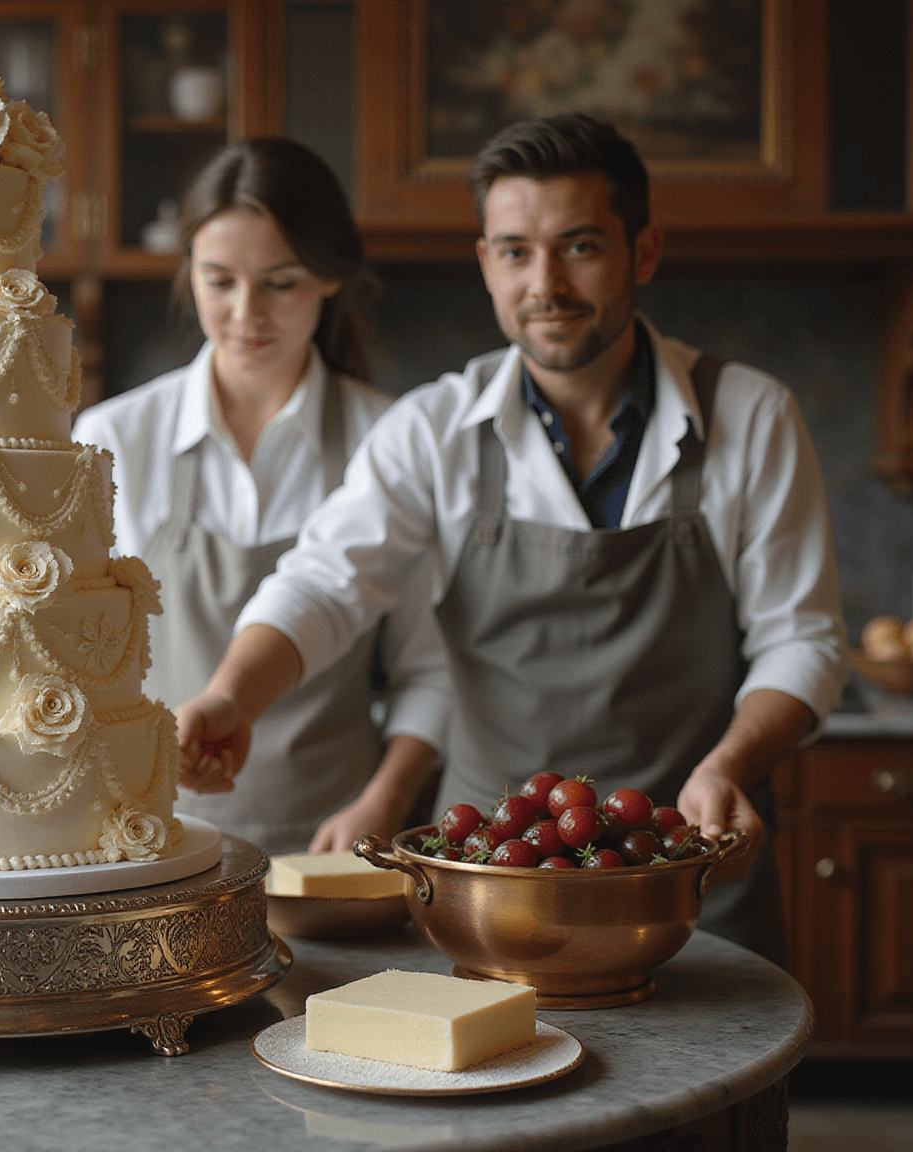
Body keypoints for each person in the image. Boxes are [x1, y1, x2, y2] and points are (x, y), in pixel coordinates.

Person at [172, 113, 847, 958]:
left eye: (580, 246)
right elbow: (323, 583)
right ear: (486, 261)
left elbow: (804, 640)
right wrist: (234, 694)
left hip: (688, 876)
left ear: (643, 252)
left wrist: (730, 767)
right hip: (488, 885)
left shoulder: (752, 416)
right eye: (516, 252)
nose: (546, 284)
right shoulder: (435, 429)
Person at [73, 138, 450, 856]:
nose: (247, 313)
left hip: (336, 843)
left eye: (281, 283)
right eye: (220, 281)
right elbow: (83, 666)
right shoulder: (115, 438)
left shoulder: (392, 438)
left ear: (330, 278)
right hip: (153, 839)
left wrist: (387, 799)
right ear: (188, 271)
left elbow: (428, 669)